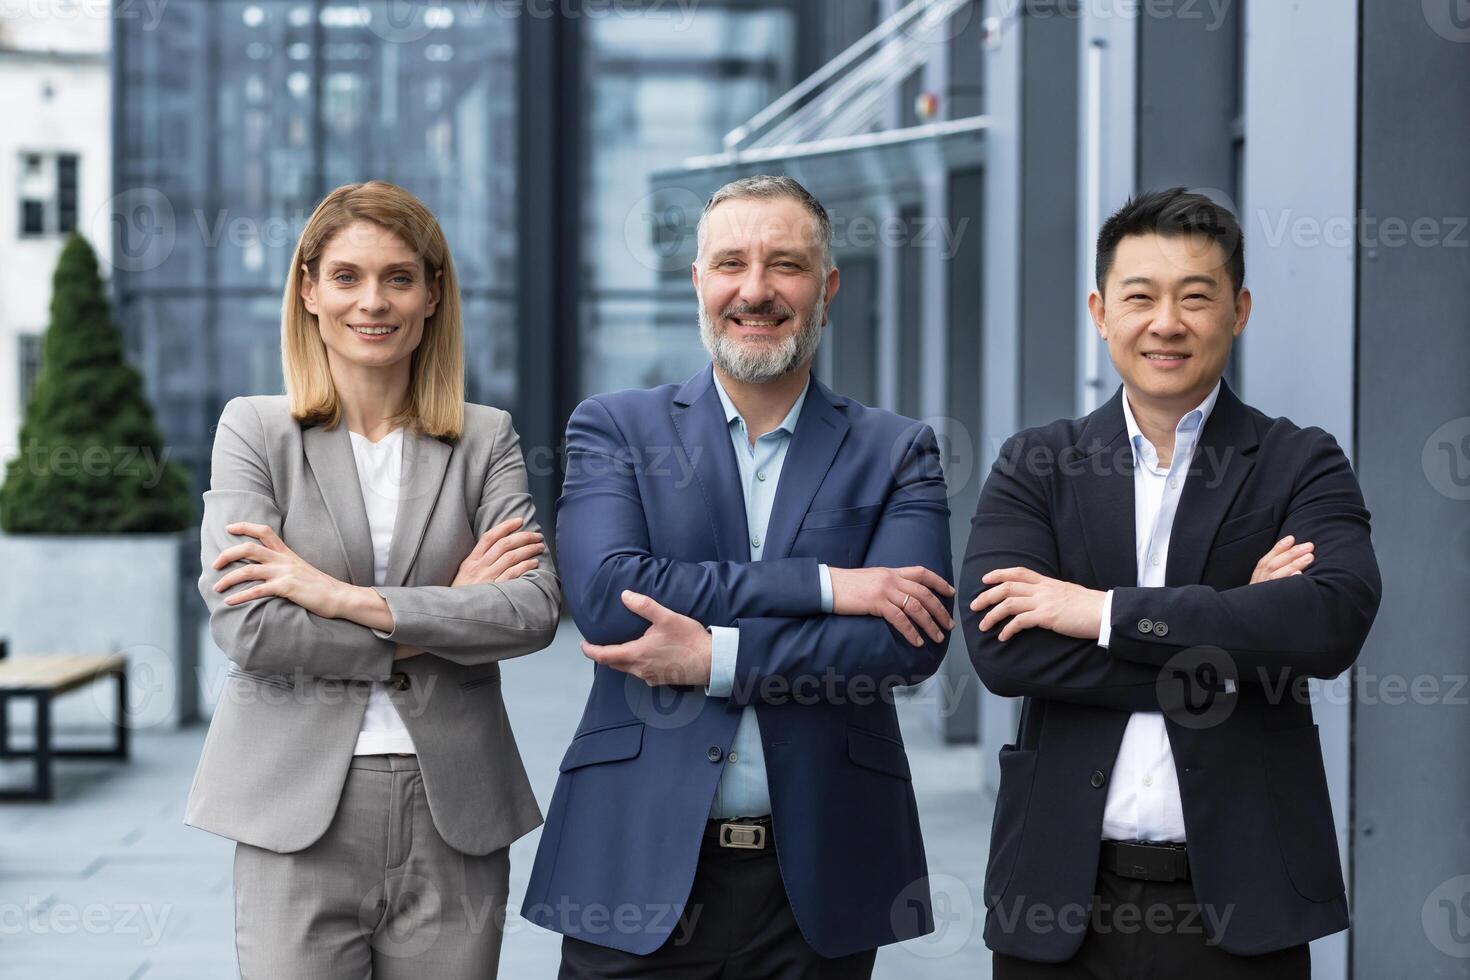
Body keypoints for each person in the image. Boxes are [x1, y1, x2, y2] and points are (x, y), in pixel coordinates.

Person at [522, 175, 956, 979]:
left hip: (818, 876)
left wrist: (716, 659)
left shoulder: (897, 449)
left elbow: (905, 644)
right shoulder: (615, 427)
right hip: (633, 865)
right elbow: (611, 600)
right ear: (698, 281)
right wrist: (830, 588)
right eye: (731, 264)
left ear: (826, 288)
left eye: (785, 265)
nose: (755, 291)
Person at [960, 187, 1382, 978]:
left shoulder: (1301, 462)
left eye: (1196, 297)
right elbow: (1001, 652)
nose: (1167, 323)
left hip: (1242, 900)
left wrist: (1099, 612)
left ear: (1239, 309)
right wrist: (1240, 627)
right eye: (1140, 297)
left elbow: (1327, 626)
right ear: (1100, 311)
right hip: (1060, 900)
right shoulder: (1037, 463)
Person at [185, 180, 562, 978]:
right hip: (294, 809)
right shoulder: (254, 430)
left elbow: (530, 610)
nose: (374, 302)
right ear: (310, 289)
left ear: (432, 294)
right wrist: (448, 614)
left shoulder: (485, 437)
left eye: (399, 277)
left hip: (455, 804)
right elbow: (250, 628)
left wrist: (341, 598)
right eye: (348, 276)